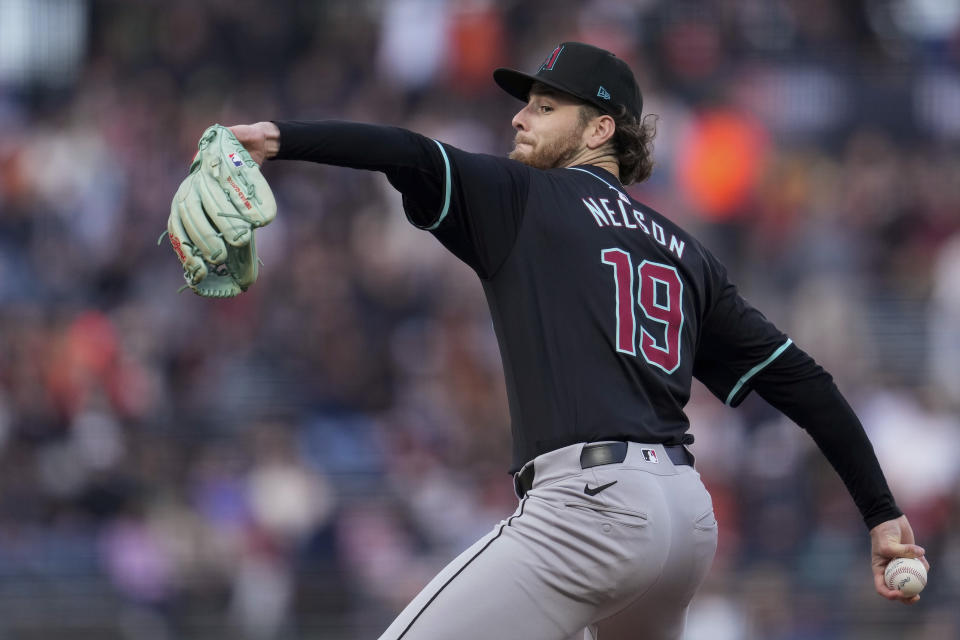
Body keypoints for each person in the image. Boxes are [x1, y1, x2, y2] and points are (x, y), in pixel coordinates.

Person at [227, 42, 927, 640]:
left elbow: (407, 152)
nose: (518, 116)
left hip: (589, 508)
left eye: (543, 106)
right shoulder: (687, 253)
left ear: (599, 130)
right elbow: (803, 380)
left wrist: (276, 137)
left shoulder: (525, 198)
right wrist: (882, 513)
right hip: (684, 519)